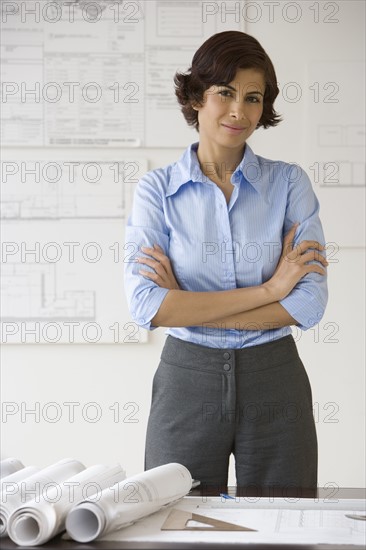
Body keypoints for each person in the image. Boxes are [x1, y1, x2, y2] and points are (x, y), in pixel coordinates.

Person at [123, 31, 328, 491]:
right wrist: (271, 291)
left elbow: (310, 305)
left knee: (285, 525)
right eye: (225, 93)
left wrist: (187, 303)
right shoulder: (156, 191)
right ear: (197, 97)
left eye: (253, 98)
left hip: (276, 379)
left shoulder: (290, 184)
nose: (239, 110)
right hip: (186, 382)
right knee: (175, 523)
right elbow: (148, 307)